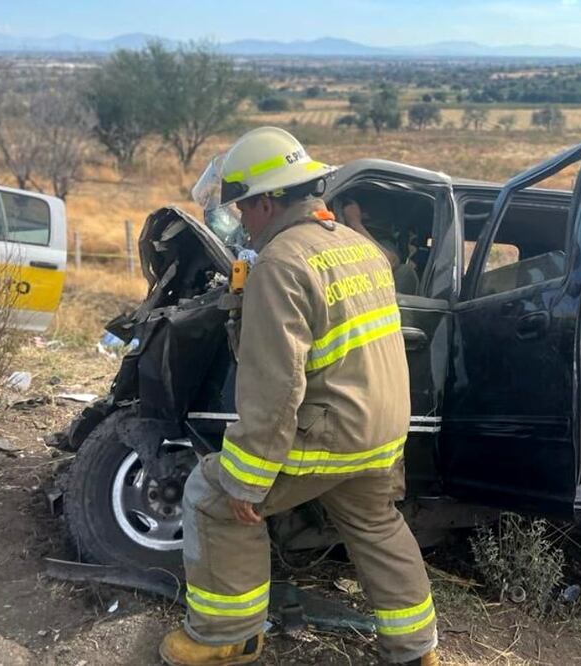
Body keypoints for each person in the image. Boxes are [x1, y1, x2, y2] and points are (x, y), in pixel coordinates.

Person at [161, 126, 438, 666]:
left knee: (213, 497)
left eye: (244, 206)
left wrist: (247, 478)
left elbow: (275, 385)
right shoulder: (360, 248)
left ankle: (227, 638)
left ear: (267, 201)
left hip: (331, 434)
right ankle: (416, 650)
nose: (240, 218)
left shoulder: (283, 263)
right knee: (376, 523)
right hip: (382, 435)